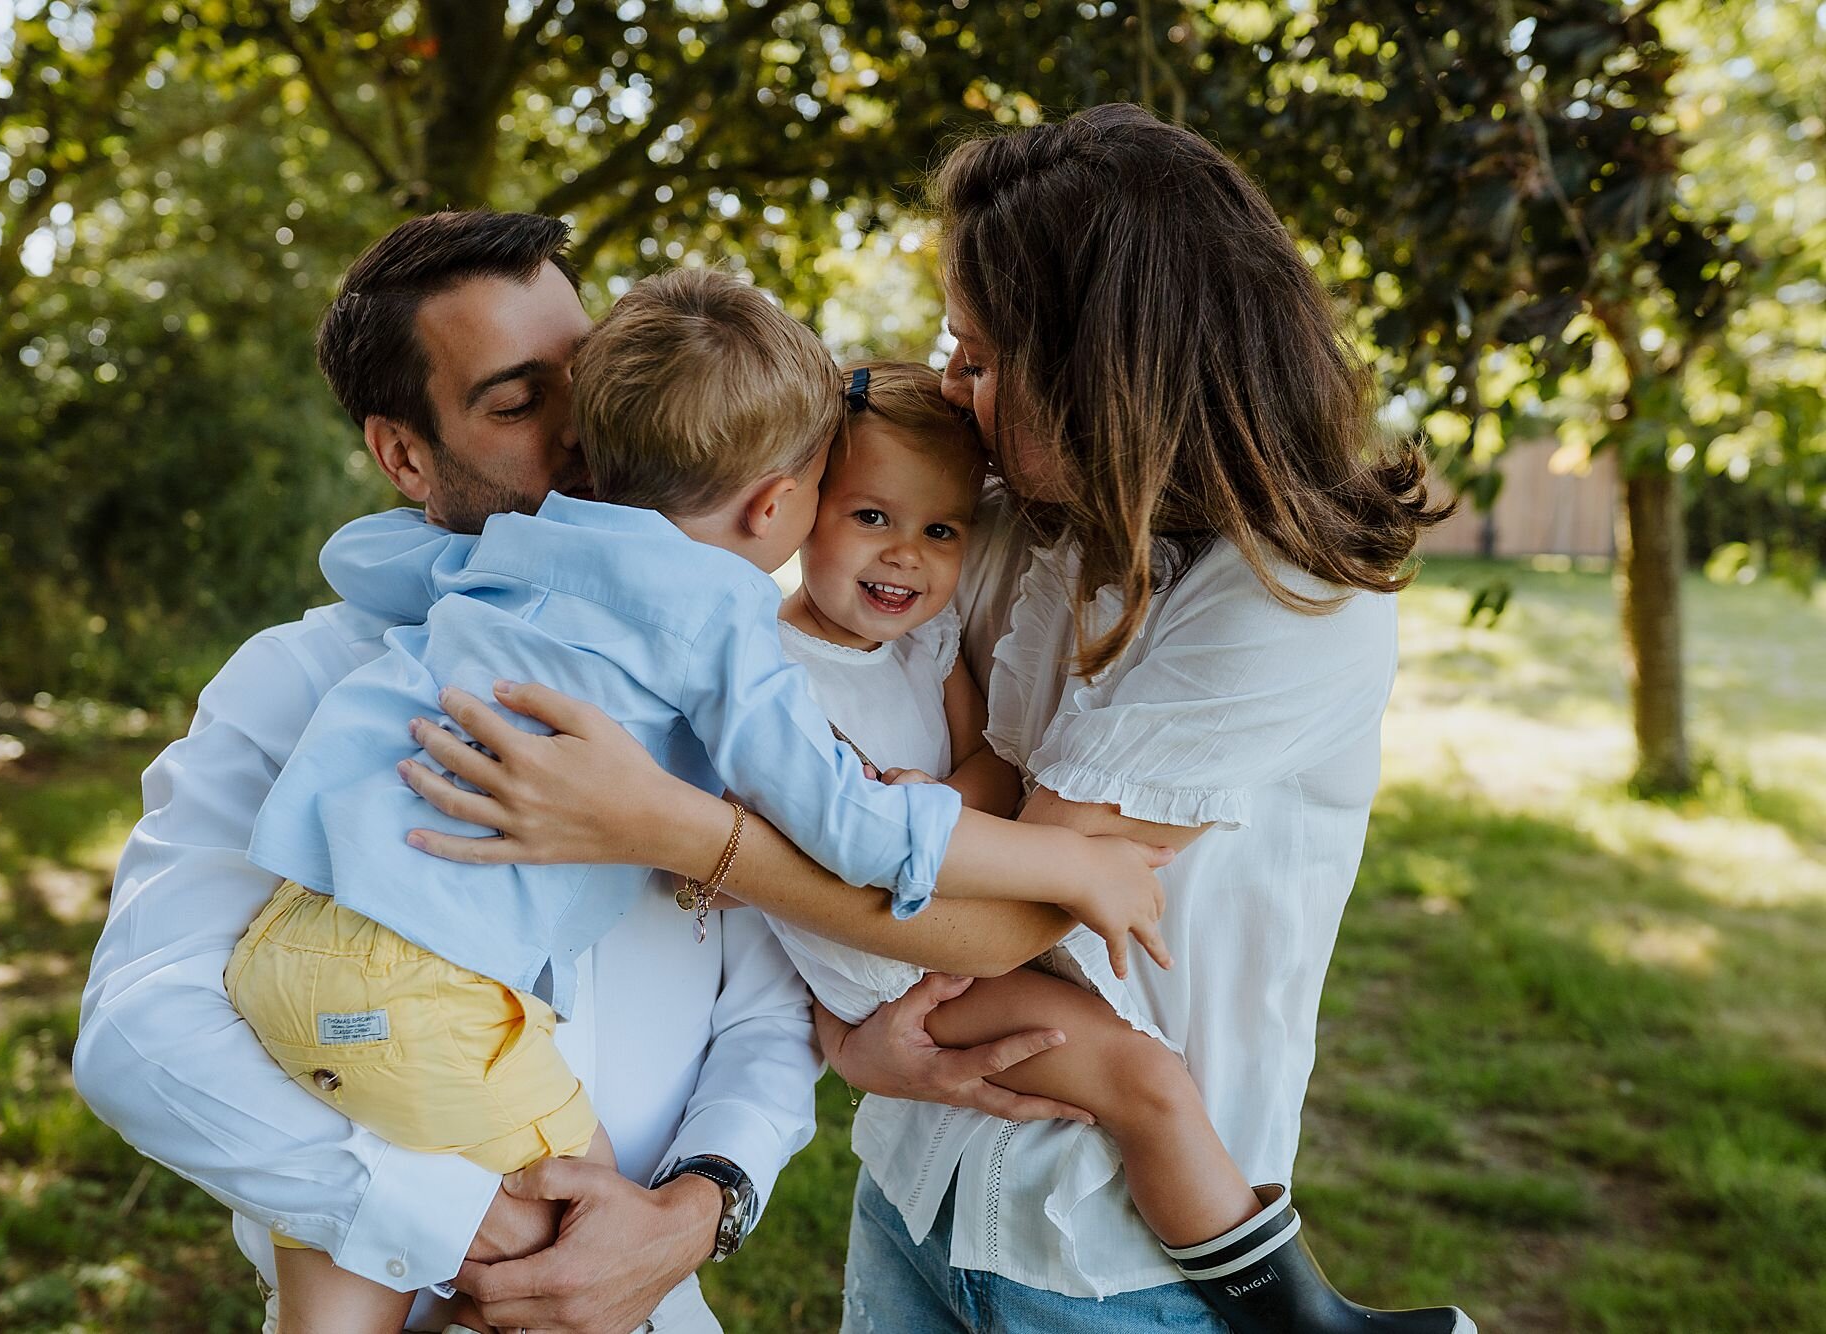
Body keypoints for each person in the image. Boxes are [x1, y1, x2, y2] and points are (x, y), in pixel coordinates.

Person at [386, 106, 1471, 1331]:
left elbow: (1002, 919)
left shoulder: (1283, 599)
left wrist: (677, 829)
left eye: (979, 357)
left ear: (1104, 369)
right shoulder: (1007, 518)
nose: (953, 388)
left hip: (1106, 1247)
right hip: (919, 1177)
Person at [218, 268, 1172, 1333]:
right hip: (424, 993)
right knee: (581, 1249)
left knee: (350, 1284)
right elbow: (851, 824)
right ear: (776, 505)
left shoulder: (507, 547)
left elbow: (361, 552)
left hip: (291, 940)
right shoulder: (720, 624)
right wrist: (1070, 863)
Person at [73, 212, 827, 1334]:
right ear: (405, 454)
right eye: (522, 403)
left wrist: (696, 1207)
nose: (591, 437)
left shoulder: (726, 679)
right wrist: (468, 1222)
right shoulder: (302, 681)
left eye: (600, 380)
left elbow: (768, 1010)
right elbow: (142, 1035)